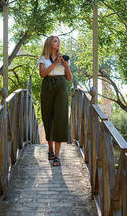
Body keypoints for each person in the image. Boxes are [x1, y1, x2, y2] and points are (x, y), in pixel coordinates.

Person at [38, 35, 72, 166]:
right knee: (48, 117)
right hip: (47, 86)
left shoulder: (64, 58)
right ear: (49, 43)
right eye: (55, 41)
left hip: (61, 87)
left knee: (60, 118)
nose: (58, 43)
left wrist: (66, 66)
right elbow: (42, 74)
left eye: (59, 41)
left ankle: (57, 156)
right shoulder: (43, 59)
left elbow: (69, 78)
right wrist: (55, 63)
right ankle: (50, 149)